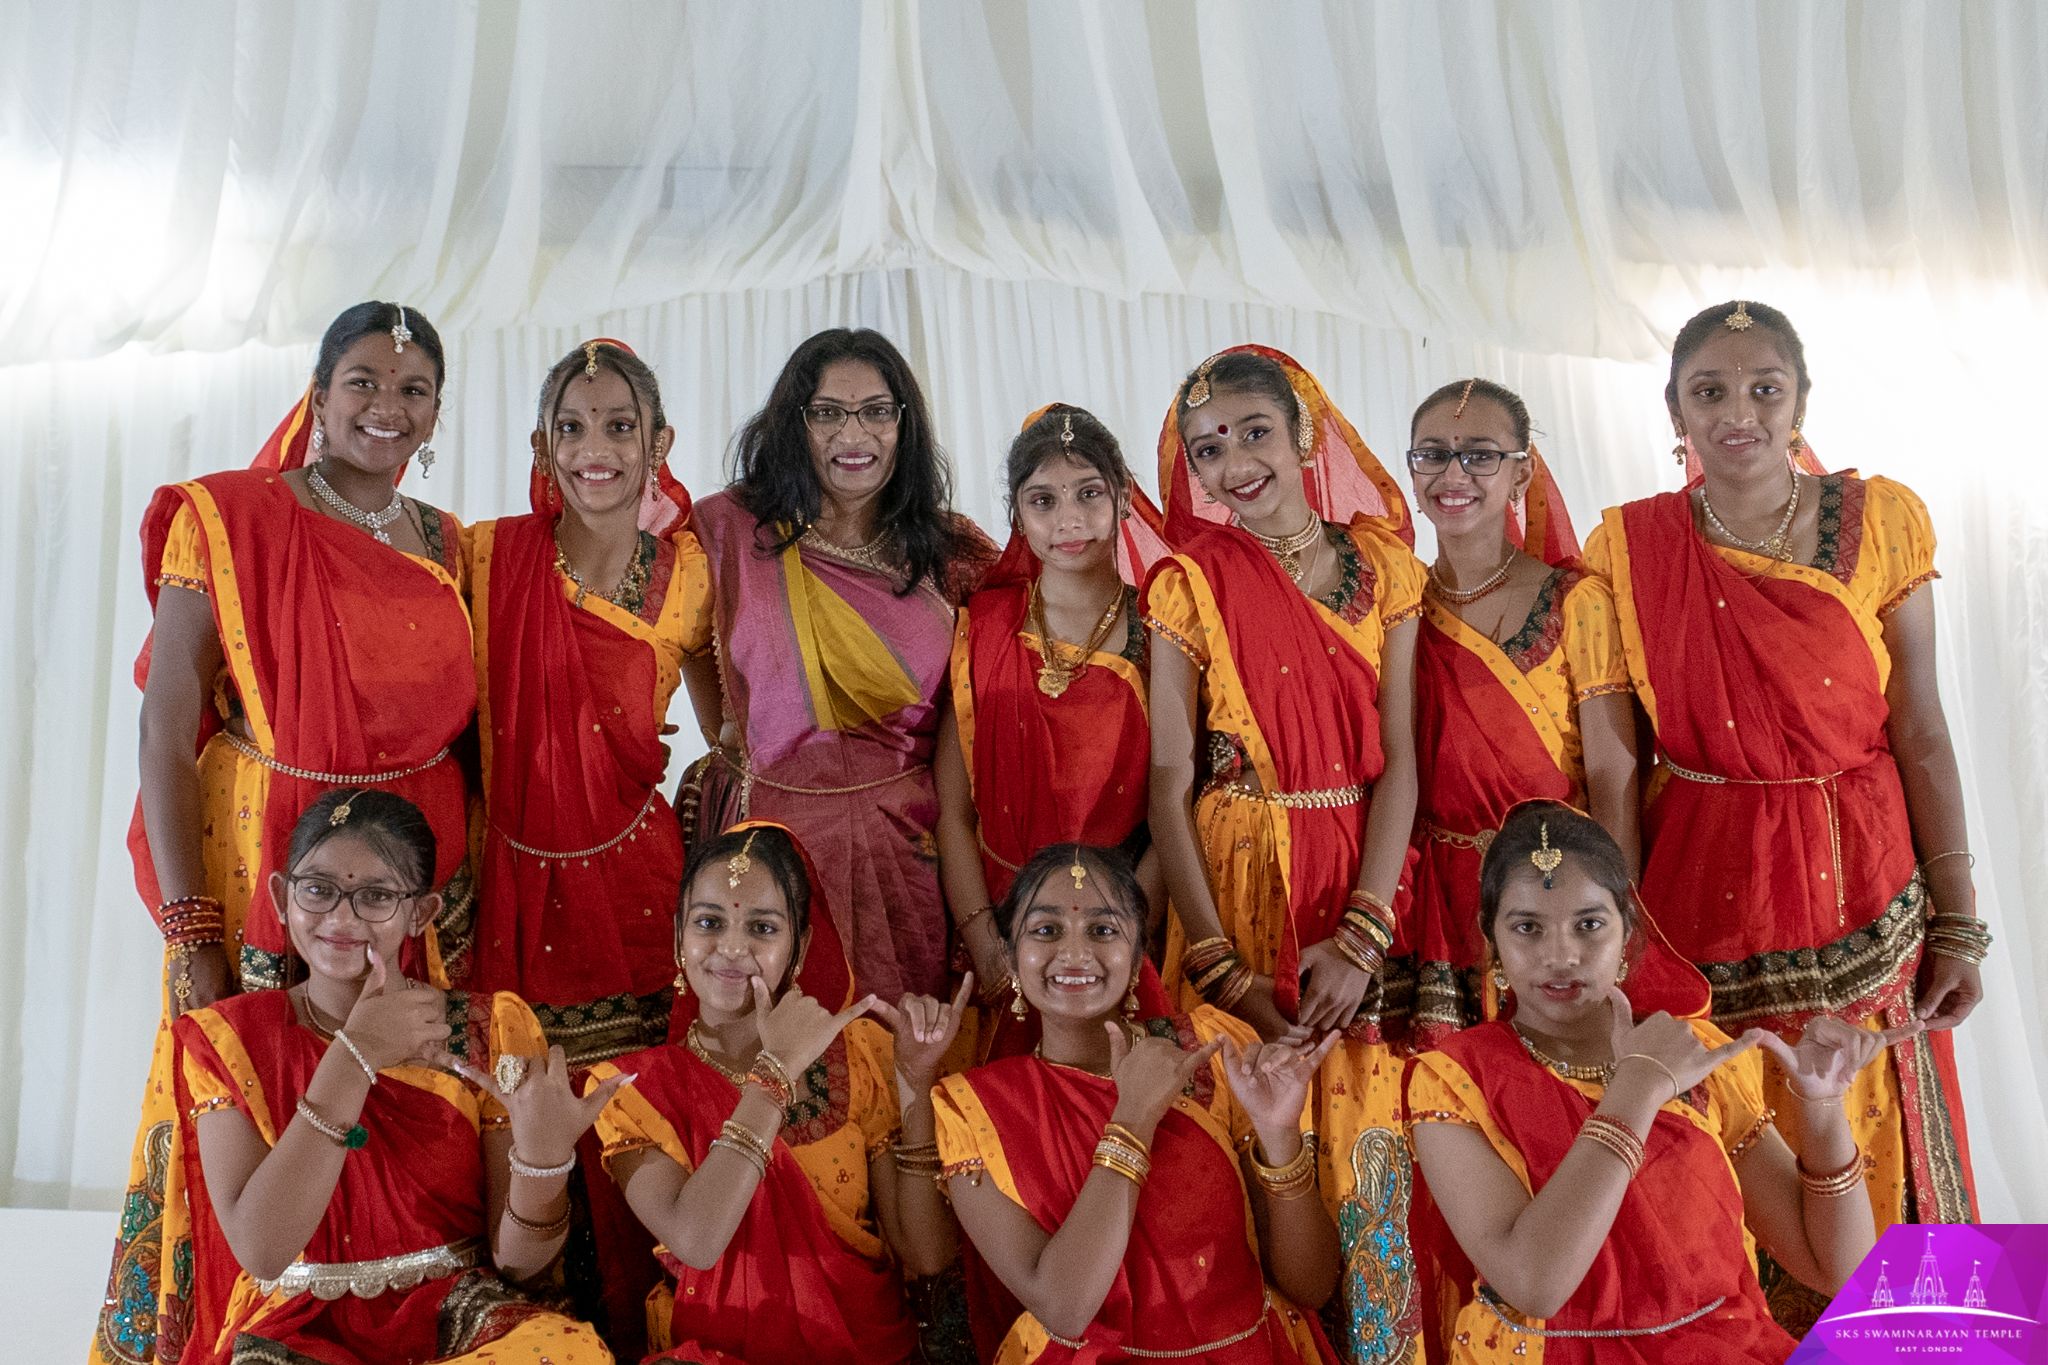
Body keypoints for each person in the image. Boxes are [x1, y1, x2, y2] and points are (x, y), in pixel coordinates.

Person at [1580, 301, 1982, 1322]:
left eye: (1763, 386)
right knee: (1738, 1155)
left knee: (1885, 1141)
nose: (1736, 411)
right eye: (1707, 390)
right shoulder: (1629, 549)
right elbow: (1616, 765)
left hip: (1869, 891)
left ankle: (1924, 1344)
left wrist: (1958, 920)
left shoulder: (1882, 517)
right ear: (1672, 408)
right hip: (1706, 896)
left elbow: (1921, 731)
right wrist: (1619, 939)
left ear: (1801, 399)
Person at [97, 302, 476, 1365]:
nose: (385, 407)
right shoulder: (225, 518)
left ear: (437, 412)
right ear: (317, 396)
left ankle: (393, 1323)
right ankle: (255, 1331)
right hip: (273, 871)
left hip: (415, 873)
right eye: (361, 381)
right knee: (261, 1101)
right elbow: (168, 729)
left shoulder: (445, 542)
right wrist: (190, 926)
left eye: (411, 390)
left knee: (398, 1095)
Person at [1143, 345, 1425, 1362]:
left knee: (1373, 1145)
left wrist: (1361, 935)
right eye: (1207, 449)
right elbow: (1166, 784)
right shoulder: (1186, 582)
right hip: (1232, 879)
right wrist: (1217, 964)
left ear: (1306, 437)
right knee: (1250, 1136)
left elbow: (1399, 763)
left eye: (1253, 433)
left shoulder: (1384, 568)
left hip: (1361, 875)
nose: (1232, 463)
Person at [1408, 800, 1899, 1363]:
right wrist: (1636, 1090)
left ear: (1627, 933)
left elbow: (1836, 1267)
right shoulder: (1453, 1078)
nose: (1560, 955)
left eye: (1589, 924)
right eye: (1527, 928)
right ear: (1490, 938)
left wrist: (1822, 1105)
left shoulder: (1694, 1053)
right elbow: (1537, 1284)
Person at [169, 788, 618, 1365]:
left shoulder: (490, 1028)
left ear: (421, 913)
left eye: (375, 896)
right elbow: (262, 1250)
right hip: (297, 1325)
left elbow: (520, 1269)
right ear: (282, 897)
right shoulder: (227, 1039)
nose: (340, 917)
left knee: (567, 1353)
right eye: (318, 890)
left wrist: (544, 1160)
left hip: (458, 1312)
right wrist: (355, 1056)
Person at [933, 842, 1342, 1362]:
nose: (1076, 953)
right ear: (1011, 958)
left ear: (1135, 960)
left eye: (1103, 931)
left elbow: (1311, 1285)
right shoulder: (973, 1110)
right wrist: (1132, 1118)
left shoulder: (1211, 1052)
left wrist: (1280, 1137)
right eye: (1046, 930)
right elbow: (1065, 1305)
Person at [689, 328, 997, 999]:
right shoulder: (726, 530)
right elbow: (689, 642)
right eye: (827, 412)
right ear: (794, 424)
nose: (852, 434)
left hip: (904, 852)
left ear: (904, 425)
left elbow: (984, 704)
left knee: (893, 1059)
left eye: (876, 412)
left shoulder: (955, 553)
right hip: (767, 845)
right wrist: (737, 738)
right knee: (771, 1057)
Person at [590, 823, 967, 1364]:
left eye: (762, 927)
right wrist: (776, 1073)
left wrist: (914, 1080)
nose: (732, 948)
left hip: (863, 1349)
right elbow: (697, 1239)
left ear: (802, 945)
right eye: (709, 922)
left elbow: (926, 1252)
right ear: (678, 935)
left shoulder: (858, 1053)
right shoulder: (635, 1090)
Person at [460, 338, 717, 1062]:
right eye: (570, 428)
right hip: (504, 882)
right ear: (542, 446)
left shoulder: (694, 577)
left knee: (635, 1121)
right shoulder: (484, 560)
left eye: (620, 426)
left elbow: (732, 737)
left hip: (640, 881)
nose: (593, 449)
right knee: (514, 1128)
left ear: (660, 441)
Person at [1404, 379, 1638, 1044]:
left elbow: (1614, 781)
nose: (1454, 475)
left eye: (1480, 455)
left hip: (1553, 894)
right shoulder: (1400, 605)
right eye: (1432, 455)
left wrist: (1610, 921)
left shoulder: (1576, 603)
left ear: (1522, 471)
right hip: (1438, 903)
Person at [935, 402, 1173, 1044]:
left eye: (1089, 494)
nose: (1068, 519)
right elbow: (953, 811)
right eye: (1043, 500)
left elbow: (1175, 810)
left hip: (1118, 930)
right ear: (1017, 514)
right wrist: (986, 940)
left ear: (1123, 499)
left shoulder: (1163, 633)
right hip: (1001, 923)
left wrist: (1121, 933)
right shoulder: (982, 625)